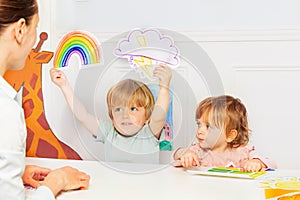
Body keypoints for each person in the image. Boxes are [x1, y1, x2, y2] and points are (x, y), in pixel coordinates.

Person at [0, 0, 90, 199]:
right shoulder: (6, 111)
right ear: (20, 29)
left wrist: (14, 172)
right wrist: (56, 183)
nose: (34, 41)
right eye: (36, 28)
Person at [50, 64, 172, 163]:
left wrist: (164, 88)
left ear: (147, 116)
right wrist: (64, 86)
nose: (125, 115)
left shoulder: (149, 134)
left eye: (133, 109)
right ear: (111, 114)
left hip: (146, 188)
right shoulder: (108, 131)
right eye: (118, 109)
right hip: (113, 188)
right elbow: (83, 116)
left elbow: (159, 116)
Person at [173, 95, 277, 172]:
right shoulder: (198, 151)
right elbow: (176, 154)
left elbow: (272, 164)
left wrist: (257, 162)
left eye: (208, 127)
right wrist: (186, 154)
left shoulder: (242, 152)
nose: (200, 131)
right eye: (199, 124)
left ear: (229, 135)